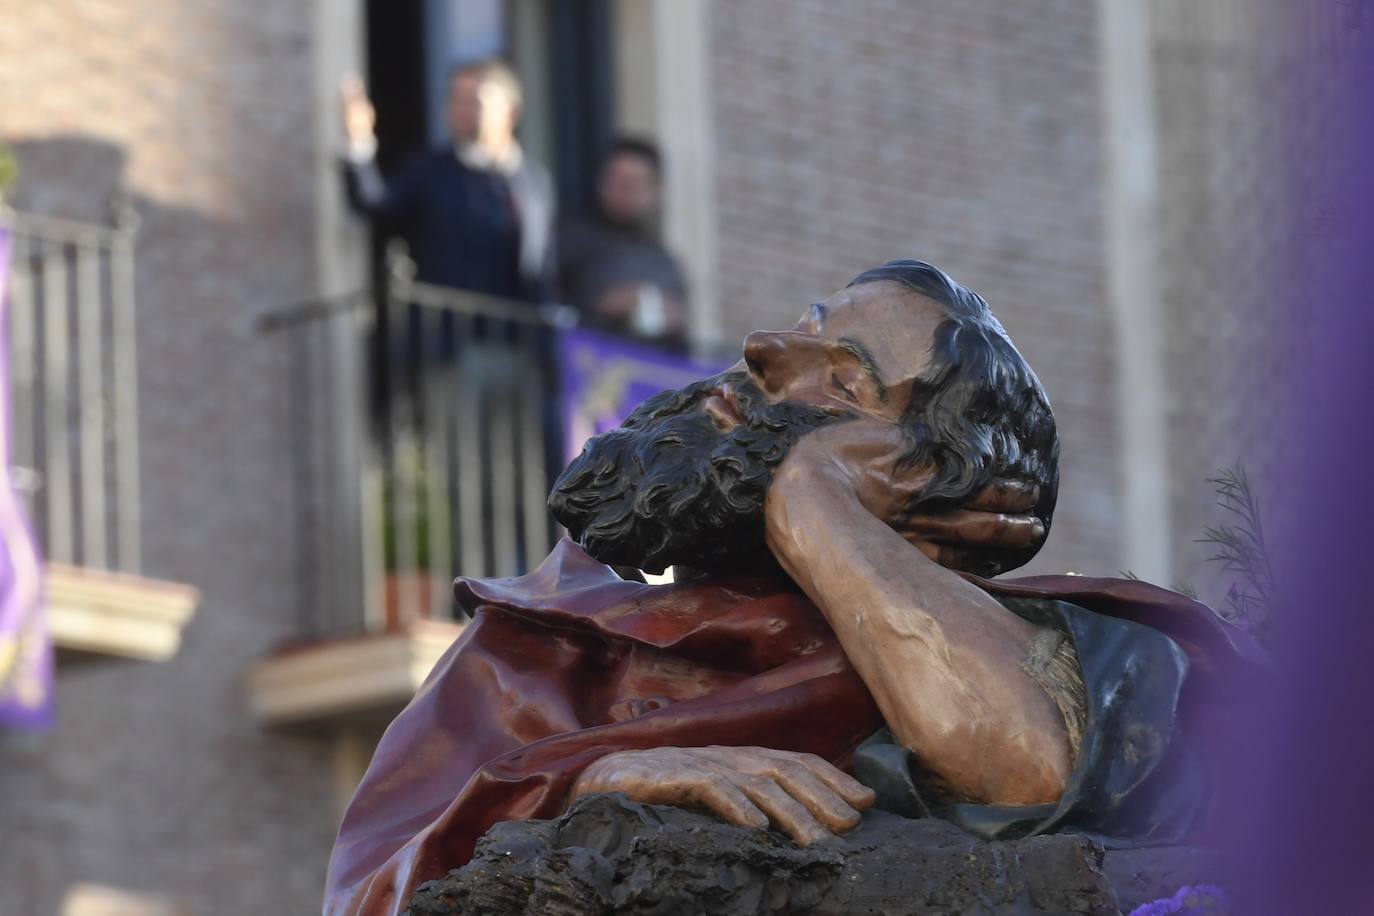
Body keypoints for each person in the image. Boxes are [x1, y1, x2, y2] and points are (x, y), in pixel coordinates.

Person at [324, 259, 1263, 915]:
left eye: (845, 383)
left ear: (916, 481)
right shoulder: (537, 646)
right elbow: (372, 894)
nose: (765, 349)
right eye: (809, 324)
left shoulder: (1075, 651)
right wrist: (588, 780)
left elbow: (1025, 771)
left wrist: (812, 499)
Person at [340, 59, 555, 303]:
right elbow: (377, 202)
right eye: (455, 100)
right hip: (449, 329)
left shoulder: (534, 179)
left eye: (473, 101)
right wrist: (359, 141)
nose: (461, 110)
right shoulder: (428, 170)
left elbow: (541, 261)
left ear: (511, 112)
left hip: (517, 330)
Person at [558, 137, 688, 346]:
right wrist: (604, 304)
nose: (626, 190)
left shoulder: (664, 261)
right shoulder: (568, 237)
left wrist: (674, 318)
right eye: (619, 181)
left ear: (655, 192)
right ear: (601, 183)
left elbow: (683, 339)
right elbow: (546, 303)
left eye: (636, 183)